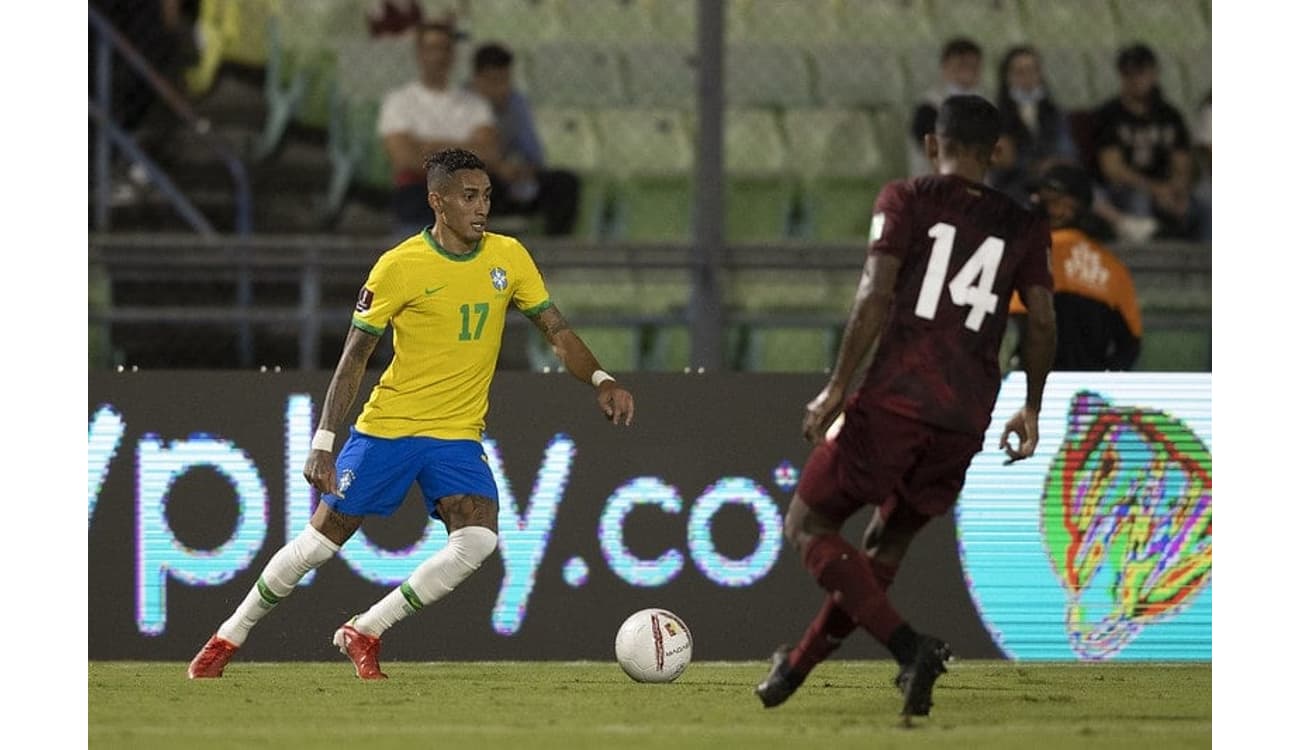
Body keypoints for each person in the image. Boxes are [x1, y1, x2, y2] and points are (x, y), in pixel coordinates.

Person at [187, 148, 636, 680]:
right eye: (469, 197)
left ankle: (367, 629)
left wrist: (601, 380)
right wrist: (325, 440)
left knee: (479, 540)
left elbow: (556, 332)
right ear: (437, 201)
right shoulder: (400, 266)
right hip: (389, 429)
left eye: (487, 196)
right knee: (319, 544)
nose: (482, 207)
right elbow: (354, 356)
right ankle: (226, 638)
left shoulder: (509, 257)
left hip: (457, 436)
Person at [754, 95, 1057, 719]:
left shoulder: (907, 198)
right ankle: (794, 669)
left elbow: (874, 293)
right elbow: (1044, 320)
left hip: (898, 397)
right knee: (882, 549)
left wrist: (837, 387)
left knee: (807, 526)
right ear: (996, 152)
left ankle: (912, 647)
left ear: (931, 144)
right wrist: (1031, 405)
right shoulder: (1024, 223)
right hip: (967, 412)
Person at [1006, 164, 1143, 372]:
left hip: (1029, 389)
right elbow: (1130, 345)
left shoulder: (1028, 253)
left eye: (1049, 200)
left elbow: (1012, 326)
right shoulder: (1114, 268)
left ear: (1070, 207)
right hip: (1085, 395)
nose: (1035, 203)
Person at [378, 20, 502, 237]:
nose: (438, 56)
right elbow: (405, 159)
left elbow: (490, 155)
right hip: (418, 194)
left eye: (444, 49)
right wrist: (466, 149)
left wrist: (431, 146)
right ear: (419, 54)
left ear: (453, 54)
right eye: (431, 48)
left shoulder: (475, 105)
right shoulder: (398, 102)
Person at [1092, 43, 1205, 241]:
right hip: (1123, 189)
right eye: (1129, 73)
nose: (1136, 80)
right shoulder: (1109, 114)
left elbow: (1183, 164)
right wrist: (1155, 189)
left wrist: (1176, 190)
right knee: (1139, 201)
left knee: (1203, 202)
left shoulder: (1169, 115)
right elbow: (1113, 169)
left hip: (1166, 187)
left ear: (1154, 73)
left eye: (1141, 72)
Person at [469, 42, 581, 236]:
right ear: (478, 80)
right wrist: (497, 167)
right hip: (480, 180)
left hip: (512, 178)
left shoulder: (516, 104)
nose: (501, 89)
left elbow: (534, 154)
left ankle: (557, 250)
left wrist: (522, 170)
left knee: (565, 183)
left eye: (505, 80)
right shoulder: (460, 104)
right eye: (494, 81)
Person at [988, 45, 1078, 206]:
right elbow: (1005, 162)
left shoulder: (1055, 113)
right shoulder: (995, 116)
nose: (1027, 79)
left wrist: (1054, 164)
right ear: (1007, 77)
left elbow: (1068, 151)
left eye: (1032, 71)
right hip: (1016, 184)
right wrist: (1035, 166)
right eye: (1020, 72)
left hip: (1055, 178)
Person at [908, 37, 984, 177]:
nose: (968, 72)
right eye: (961, 66)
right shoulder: (929, 106)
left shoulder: (988, 104)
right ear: (945, 67)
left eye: (973, 67)